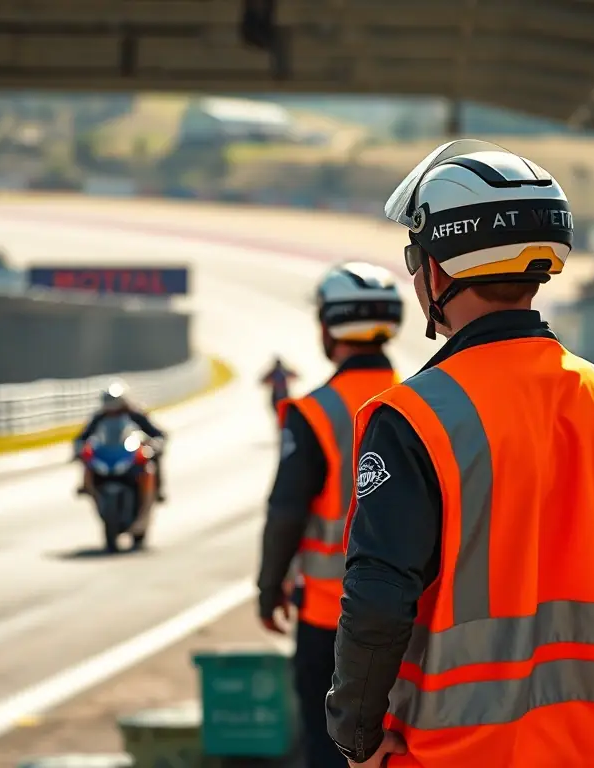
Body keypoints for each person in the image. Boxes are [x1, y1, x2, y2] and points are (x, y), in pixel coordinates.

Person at [325, 139, 594, 768]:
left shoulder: (414, 417)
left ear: (440, 270)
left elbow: (378, 599)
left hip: (446, 753)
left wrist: (357, 734)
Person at [257, 261, 403, 768]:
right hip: (412, 612)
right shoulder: (424, 401)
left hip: (329, 611)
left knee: (329, 746)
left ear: (330, 326)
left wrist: (268, 586)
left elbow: (286, 511)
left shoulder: (314, 412)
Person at [74, 380, 167, 502]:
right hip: (107, 451)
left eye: (114, 402)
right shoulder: (99, 417)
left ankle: (158, 489)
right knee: (87, 458)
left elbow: (156, 433)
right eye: (109, 402)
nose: (112, 407)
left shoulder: (135, 414)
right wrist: (78, 450)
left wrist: (156, 444)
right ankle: (86, 485)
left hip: (131, 452)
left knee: (151, 460)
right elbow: (82, 437)